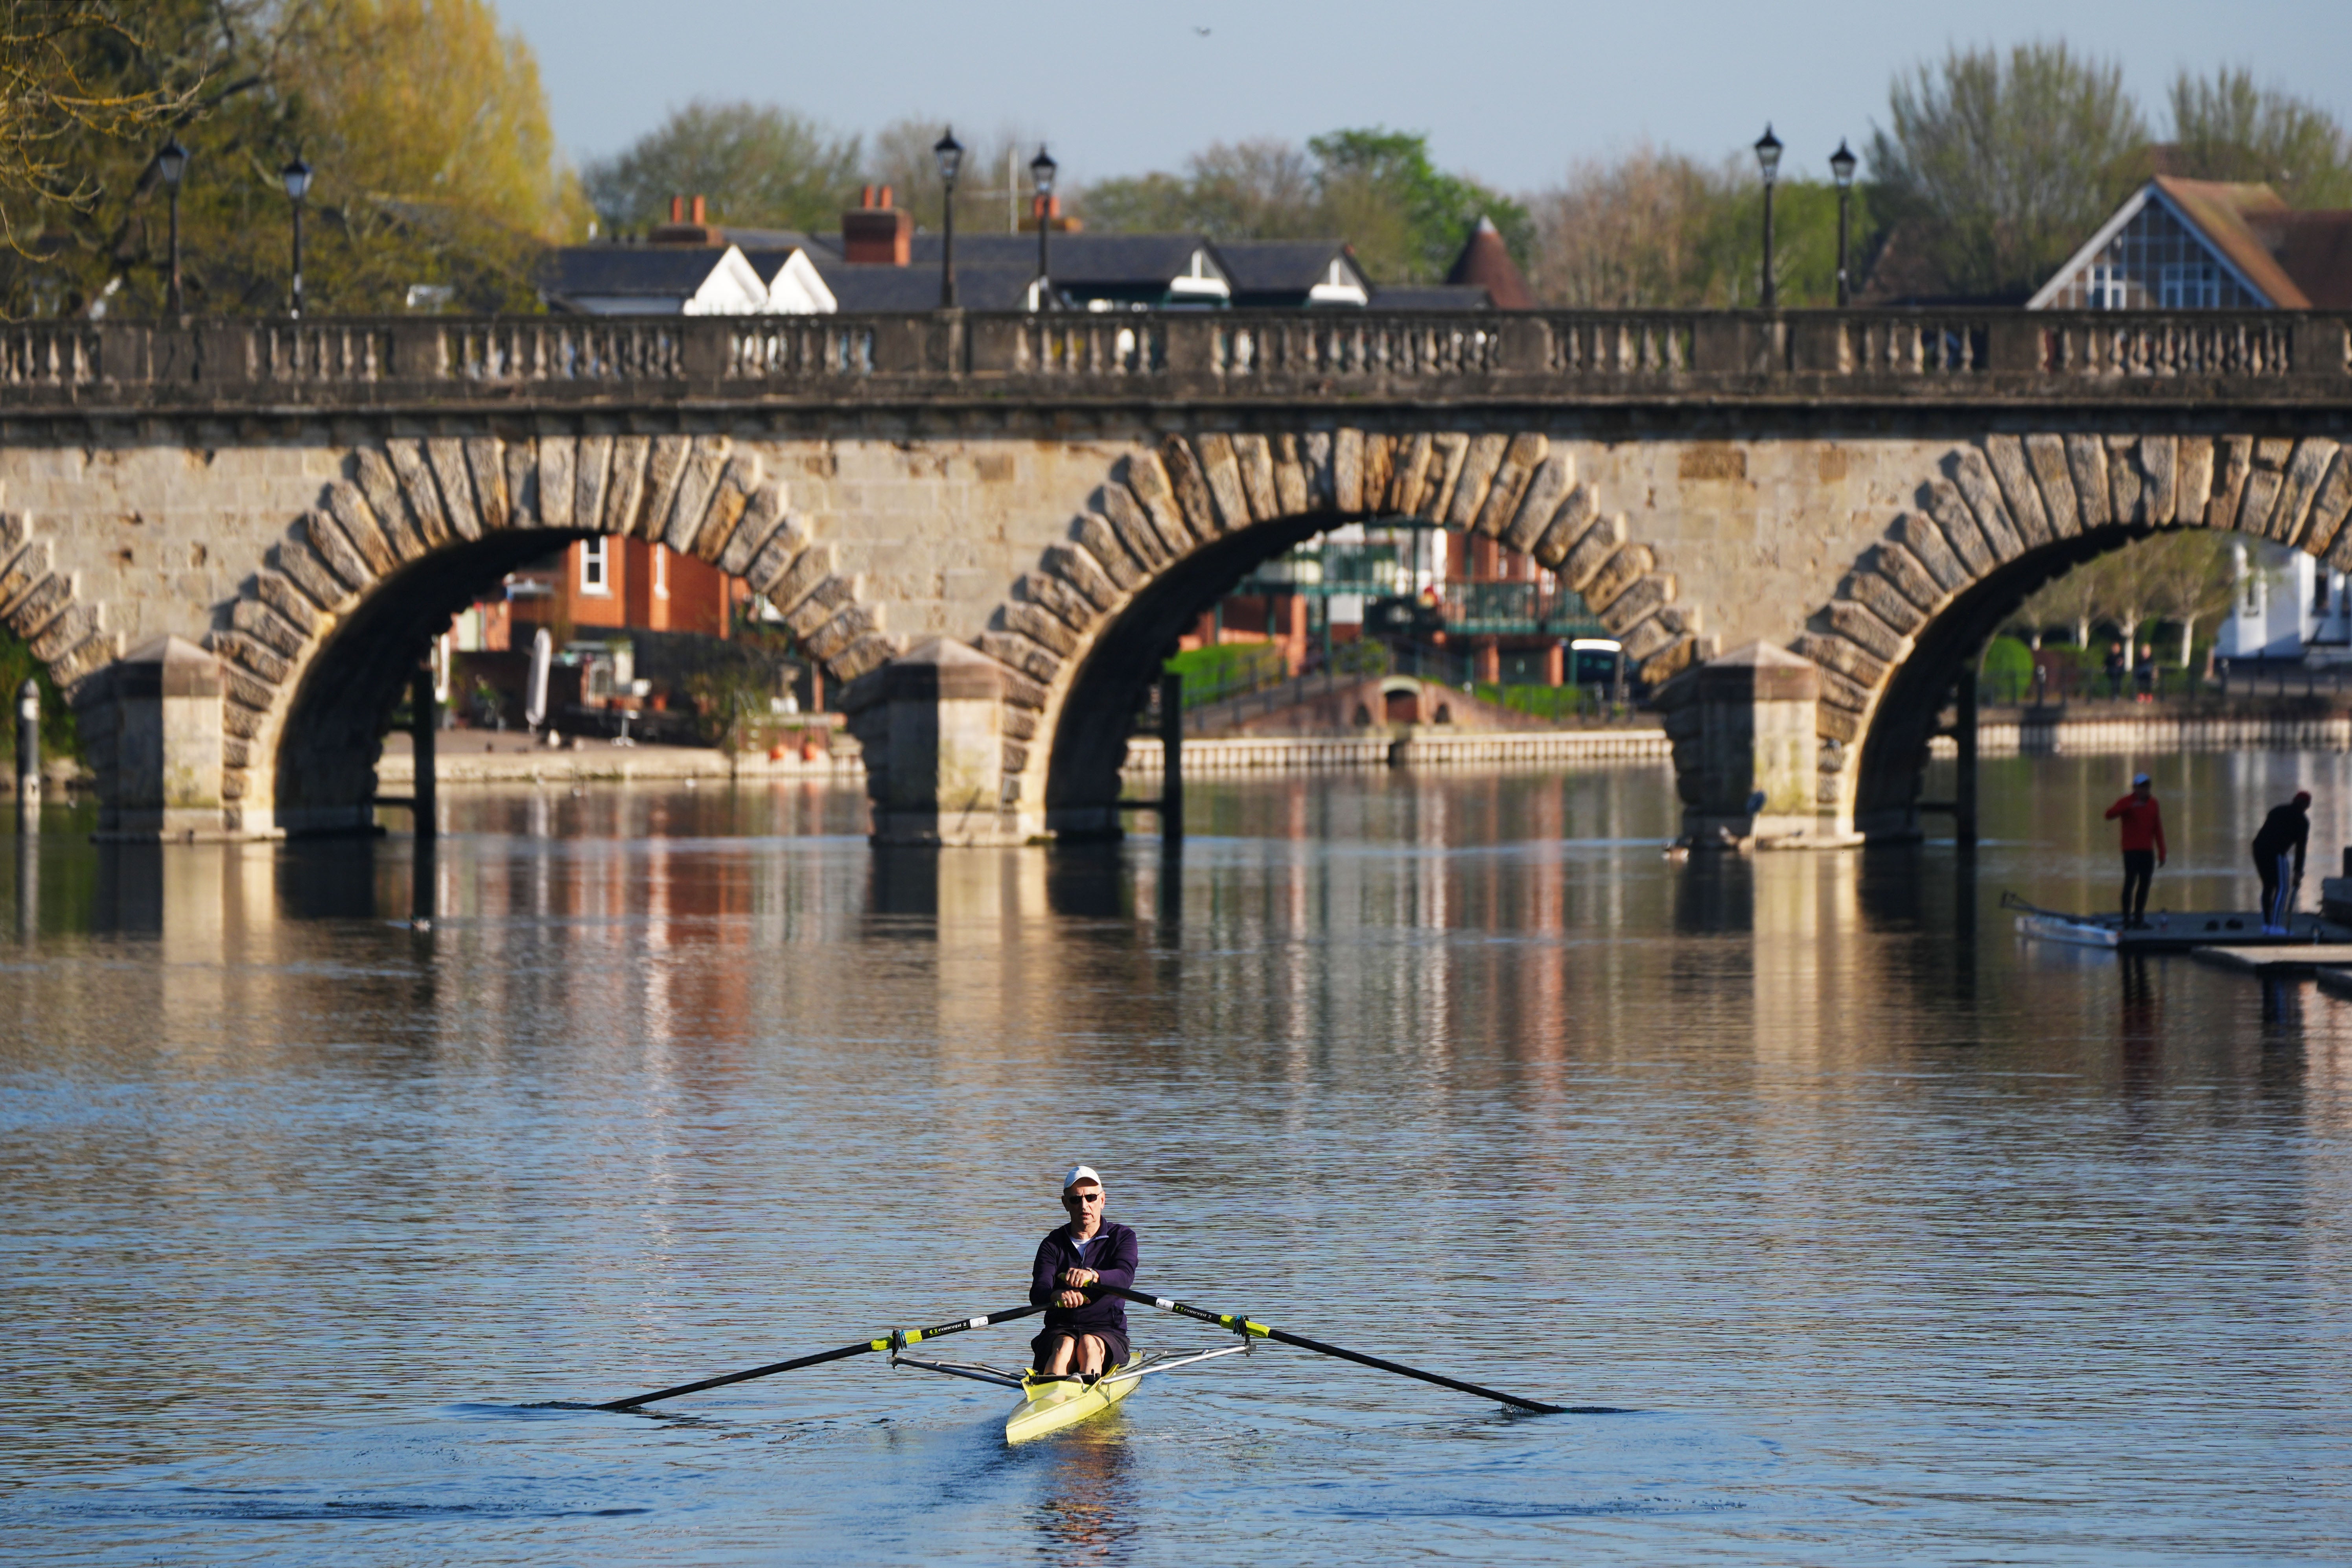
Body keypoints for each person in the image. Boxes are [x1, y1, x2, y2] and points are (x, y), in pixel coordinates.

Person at [1028, 1165, 1137, 1382]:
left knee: (1088, 1343)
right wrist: (1056, 1295)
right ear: (1065, 1204)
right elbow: (1038, 1292)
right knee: (1064, 1345)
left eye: (1091, 1197)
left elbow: (1124, 1277)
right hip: (1060, 1329)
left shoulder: (1122, 1238)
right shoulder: (1052, 1244)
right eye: (1076, 1200)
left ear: (1102, 1200)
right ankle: (1052, 1395)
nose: (1084, 1205)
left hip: (1106, 1329)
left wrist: (1094, 1276)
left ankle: (1082, 1389)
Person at [2104, 773, 2167, 929]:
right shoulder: (2127, 802)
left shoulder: (2153, 804)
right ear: (2135, 788)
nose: (2144, 790)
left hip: (2147, 851)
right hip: (2131, 850)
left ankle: (2139, 917)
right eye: (2141, 787)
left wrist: (2162, 852)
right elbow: (2109, 815)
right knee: (2130, 882)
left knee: (2145, 884)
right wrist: (2129, 807)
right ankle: (2126, 918)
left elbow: (2157, 829)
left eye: (2147, 786)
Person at [2253, 790, 2312, 935]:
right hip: (2276, 852)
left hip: (2258, 849)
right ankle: (2275, 926)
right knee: (2283, 888)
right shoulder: (2303, 821)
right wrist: (2298, 872)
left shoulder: (2276, 810)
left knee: (2268, 886)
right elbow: (2301, 849)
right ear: (2305, 806)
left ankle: (2266, 925)